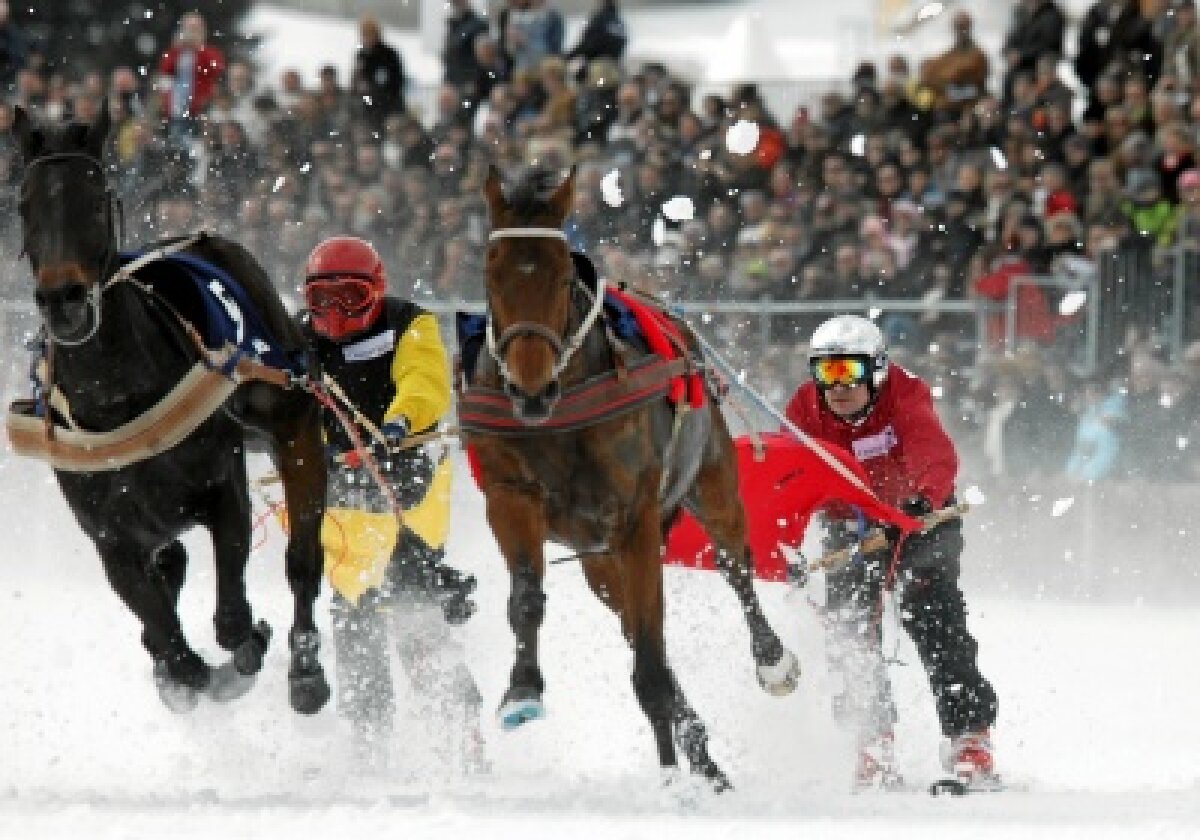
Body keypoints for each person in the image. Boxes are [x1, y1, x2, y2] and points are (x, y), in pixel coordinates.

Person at [784, 315, 999, 789]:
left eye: (847, 373)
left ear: (876, 371)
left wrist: (922, 497)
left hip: (921, 521)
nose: (835, 388)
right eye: (824, 373)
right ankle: (871, 740)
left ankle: (970, 738)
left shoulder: (905, 394)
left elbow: (932, 451)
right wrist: (785, 543)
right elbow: (789, 477)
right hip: (852, 527)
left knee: (935, 618)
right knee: (849, 630)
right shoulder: (804, 409)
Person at [298, 236, 483, 771]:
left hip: (406, 476)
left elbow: (423, 380)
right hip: (339, 491)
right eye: (321, 300)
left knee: (413, 606)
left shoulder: (408, 323)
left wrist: (397, 424)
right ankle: (369, 734)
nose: (333, 314)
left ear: (375, 293)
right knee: (353, 613)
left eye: (349, 298)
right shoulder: (298, 337)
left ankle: (459, 726)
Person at [157, 11, 224, 142]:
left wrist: (199, 48)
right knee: (178, 145)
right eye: (188, 29)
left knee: (198, 144)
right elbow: (165, 70)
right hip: (177, 108)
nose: (191, 33)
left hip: (200, 108)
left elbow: (216, 69)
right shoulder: (176, 52)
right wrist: (176, 48)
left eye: (195, 29)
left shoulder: (209, 51)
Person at [353, 16, 406, 133]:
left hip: (389, 107)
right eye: (363, 34)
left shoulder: (389, 54)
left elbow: (396, 84)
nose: (366, 38)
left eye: (369, 34)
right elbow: (355, 82)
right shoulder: (361, 55)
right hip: (368, 108)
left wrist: (374, 89)